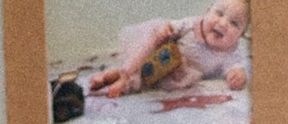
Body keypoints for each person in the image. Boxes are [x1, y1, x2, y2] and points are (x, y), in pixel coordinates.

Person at [89, 3, 250, 104]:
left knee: (141, 82)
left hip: (176, 75)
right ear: (207, 12)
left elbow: (235, 67)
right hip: (160, 55)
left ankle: (112, 79)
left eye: (234, 23)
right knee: (144, 54)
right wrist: (166, 30)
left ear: (241, 34)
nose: (222, 23)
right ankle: (120, 74)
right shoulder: (191, 25)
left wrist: (237, 75)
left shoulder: (230, 52)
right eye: (219, 13)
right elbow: (172, 27)